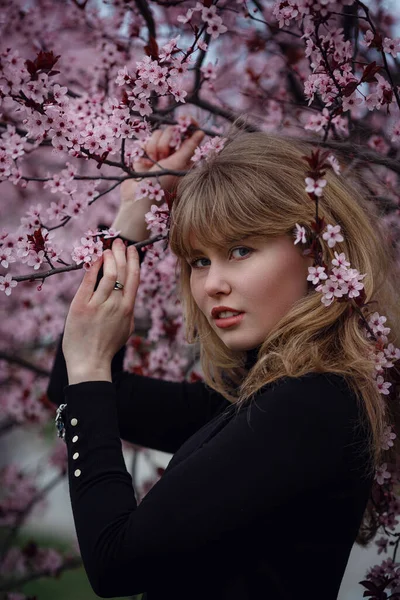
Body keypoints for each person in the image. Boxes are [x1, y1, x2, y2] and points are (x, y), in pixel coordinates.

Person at [46, 121, 400, 600]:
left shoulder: (314, 405)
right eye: (199, 261)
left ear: (318, 252)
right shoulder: (259, 395)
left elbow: (116, 562)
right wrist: (132, 222)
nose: (212, 284)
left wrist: (89, 369)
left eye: (240, 249)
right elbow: (78, 389)